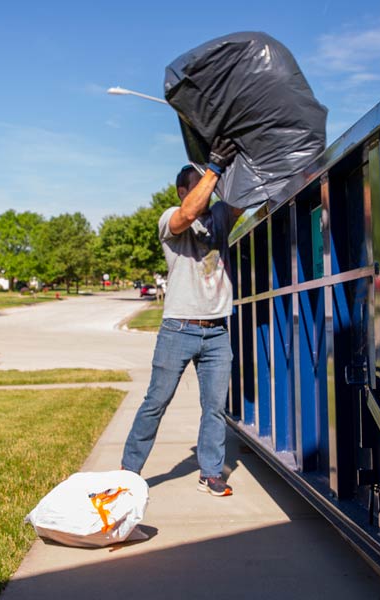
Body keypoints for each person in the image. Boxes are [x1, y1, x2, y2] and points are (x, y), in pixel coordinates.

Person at [121, 137, 241, 497]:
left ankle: (211, 472)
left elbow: (242, 201)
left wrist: (235, 163)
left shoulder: (219, 215)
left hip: (217, 330)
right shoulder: (169, 220)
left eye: (211, 182)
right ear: (182, 190)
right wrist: (214, 166)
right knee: (156, 402)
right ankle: (129, 472)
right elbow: (188, 214)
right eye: (200, 182)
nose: (210, 188)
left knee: (215, 407)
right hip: (179, 328)